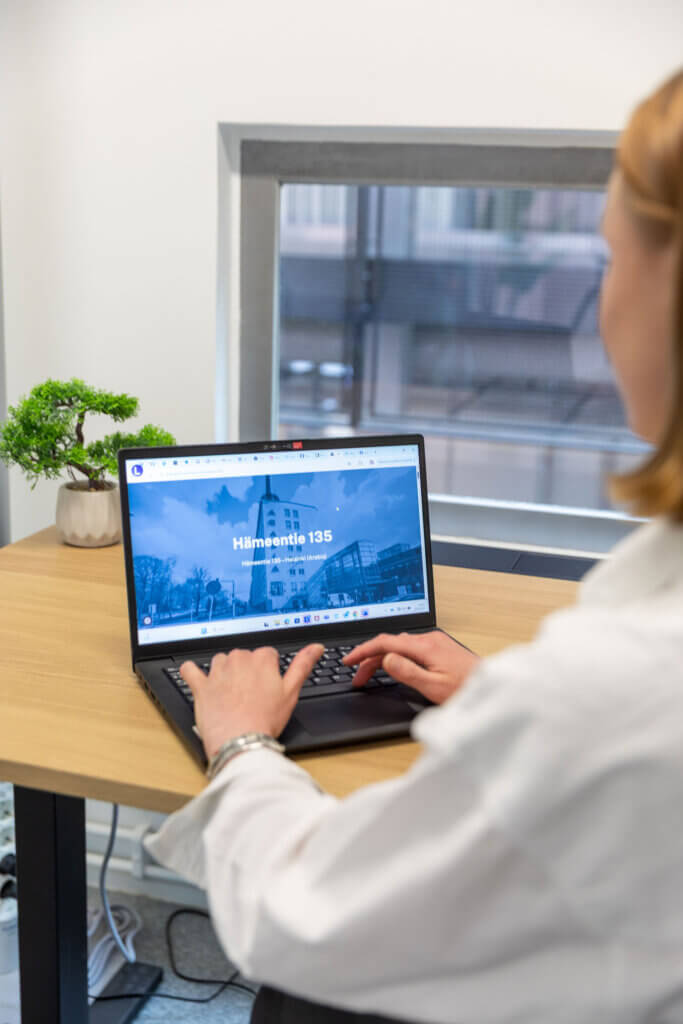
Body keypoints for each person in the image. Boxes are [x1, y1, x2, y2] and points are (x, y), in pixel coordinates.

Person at [146, 68, 683, 1023]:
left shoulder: (625, 688)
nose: (597, 312)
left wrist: (239, 745)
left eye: (610, 260)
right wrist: (509, 709)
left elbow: (310, 915)